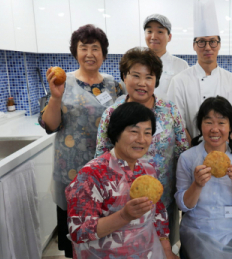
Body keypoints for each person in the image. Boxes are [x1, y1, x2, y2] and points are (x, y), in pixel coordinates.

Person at [39, 24, 123, 258]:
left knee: (106, 238)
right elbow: (49, 125)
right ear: (75, 52)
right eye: (83, 48)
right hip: (71, 174)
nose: (89, 53)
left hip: (107, 175)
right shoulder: (61, 83)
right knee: (77, 239)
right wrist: (56, 98)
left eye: (95, 48)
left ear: (103, 54)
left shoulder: (114, 85)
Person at [95, 47, 189, 246]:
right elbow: (101, 157)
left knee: (164, 247)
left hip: (162, 198)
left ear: (156, 80)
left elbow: (182, 150)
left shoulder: (169, 110)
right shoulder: (112, 113)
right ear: (124, 77)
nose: (142, 83)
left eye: (149, 77)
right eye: (135, 75)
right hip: (121, 203)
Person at [66, 102, 178, 259]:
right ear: (116, 132)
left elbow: (158, 213)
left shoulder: (147, 170)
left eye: (147, 133)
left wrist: (166, 249)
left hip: (146, 252)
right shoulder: (91, 175)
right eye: (134, 131)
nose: (141, 139)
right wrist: (124, 216)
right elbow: (79, 231)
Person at [175, 96, 232, 259]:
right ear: (200, 125)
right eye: (209, 122)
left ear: (231, 126)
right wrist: (196, 185)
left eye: (221, 122)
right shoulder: (188, 158)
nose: (215, 129)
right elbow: (183, 206)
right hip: (197, 232)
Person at [167, 0, 232, 140]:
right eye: (201, 42)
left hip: (224, 153)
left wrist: (224, 146)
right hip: (190, 153)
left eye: (212, 41)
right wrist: (194, 150)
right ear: (194, 45)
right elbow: (176, 123)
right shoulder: (179, 82)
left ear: (219, 45)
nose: (207, 47)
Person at [143, 14, 189, 99]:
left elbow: (186, 96)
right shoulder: (136, 63)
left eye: (160, 32)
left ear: (169, 37)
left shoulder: (181, 66)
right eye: (149, 31)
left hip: (172, 112)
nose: (153, 37)